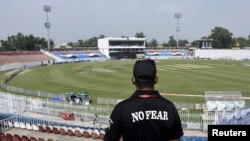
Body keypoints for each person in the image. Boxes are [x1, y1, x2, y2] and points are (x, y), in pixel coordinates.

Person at [104, 59, 183, 141]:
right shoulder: (170, 107)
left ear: (133, 80)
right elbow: (175, 139)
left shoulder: (121, 109)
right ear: (156, 79)